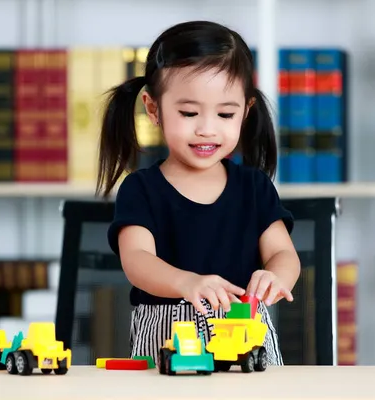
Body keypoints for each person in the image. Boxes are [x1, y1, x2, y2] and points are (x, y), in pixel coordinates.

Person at [96, 20, 301, 367]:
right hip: (166, 338)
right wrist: (186, 282)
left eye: (225, 114)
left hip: (245, 335)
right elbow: (137, 261)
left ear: (246, 111)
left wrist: (275, 277)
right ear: (153, 108)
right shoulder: (141, 189)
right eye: (189, 112)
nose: (207, 129)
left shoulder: (254, 188)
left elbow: (283, 253)